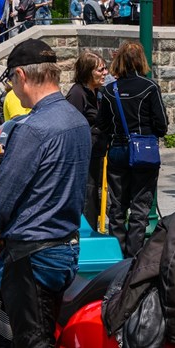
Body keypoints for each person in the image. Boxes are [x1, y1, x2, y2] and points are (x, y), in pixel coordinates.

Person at [0, 38, 90, 347]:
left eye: (12, 79)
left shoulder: (33, 127)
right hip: (65, 248)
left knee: (33, 341)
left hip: (33, 255)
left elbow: (3, 196)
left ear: (22, 76)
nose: (13, 86)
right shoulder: (76, 120)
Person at [96, 41, 168, 258]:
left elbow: (102, 124)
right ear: (140, 61)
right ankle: (133, 255)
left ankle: (117, 253)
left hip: (117, 149)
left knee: (117, 206)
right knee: (140, 204)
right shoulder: (149, 87)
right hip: (143, 150)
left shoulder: (110, 90)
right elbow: (162, 125)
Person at [66, 51, 108, 231]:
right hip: (84, 158)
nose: (105, 73)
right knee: (87, 198)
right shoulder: (77, 94)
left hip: (97, 154)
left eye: (105, 68)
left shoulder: (97, 92)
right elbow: (70, 127)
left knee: (95, 198)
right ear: (87, 72)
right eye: (100, 70)